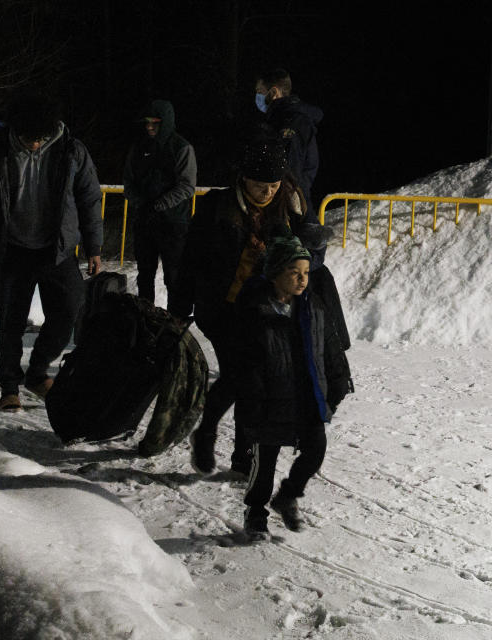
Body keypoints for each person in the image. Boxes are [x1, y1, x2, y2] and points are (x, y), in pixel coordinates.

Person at [169, 131, 323, 477]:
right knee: (243, 376)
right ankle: (212, 435)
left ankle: (240, 454)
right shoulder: (216, 207)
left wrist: (306, 249)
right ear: (243, 179)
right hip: (222, 306)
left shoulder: (290, 206)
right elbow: (189, 260)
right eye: (259, 185)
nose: (267, 192)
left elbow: (309, 253)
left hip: (265, 309)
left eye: (273, 185)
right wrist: (179, 309)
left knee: (254, 380)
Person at [0, 91, 103, 412]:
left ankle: (38, 371)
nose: (35, 144)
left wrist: (94, 247)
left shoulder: (71, 151)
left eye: (40, 138)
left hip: (56, 250)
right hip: (12, 248)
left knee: (68, 310)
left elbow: (89, 198)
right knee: (11, 323)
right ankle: (9, 387)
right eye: (29, 138)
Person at [232, 234, 351, 541]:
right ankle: (255, 512)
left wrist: (338, 381)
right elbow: (244, 361)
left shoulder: (311, 306)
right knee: (265, 459)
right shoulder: (255, 309)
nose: (302, 279)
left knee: (316, 448)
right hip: (268, 398)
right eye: (294, 273)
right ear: (275, 273)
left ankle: (288, 495)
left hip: (305, 395)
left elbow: (329, 346)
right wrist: (251, 401)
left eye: (306, 273)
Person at [123, 99, 197, 308]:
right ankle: (145, 319)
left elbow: (187, 186)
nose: (149, 127)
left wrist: (159, 205)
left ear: (166, 122)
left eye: (155, 123)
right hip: (144, 222)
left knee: (174, 276)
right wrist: (139, 203)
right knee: (144, 274)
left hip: (173, 223)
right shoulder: (138, 147)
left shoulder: (181, 147)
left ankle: (176, 323)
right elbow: (128, 181)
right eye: (147, 122)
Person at [255, 68, 323, 205]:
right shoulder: (278, 119)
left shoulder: (292, 121)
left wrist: (282, 206)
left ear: (273, 92)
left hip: (287, 207)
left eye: (260, 92)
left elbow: (291, 171)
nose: (257, 96)